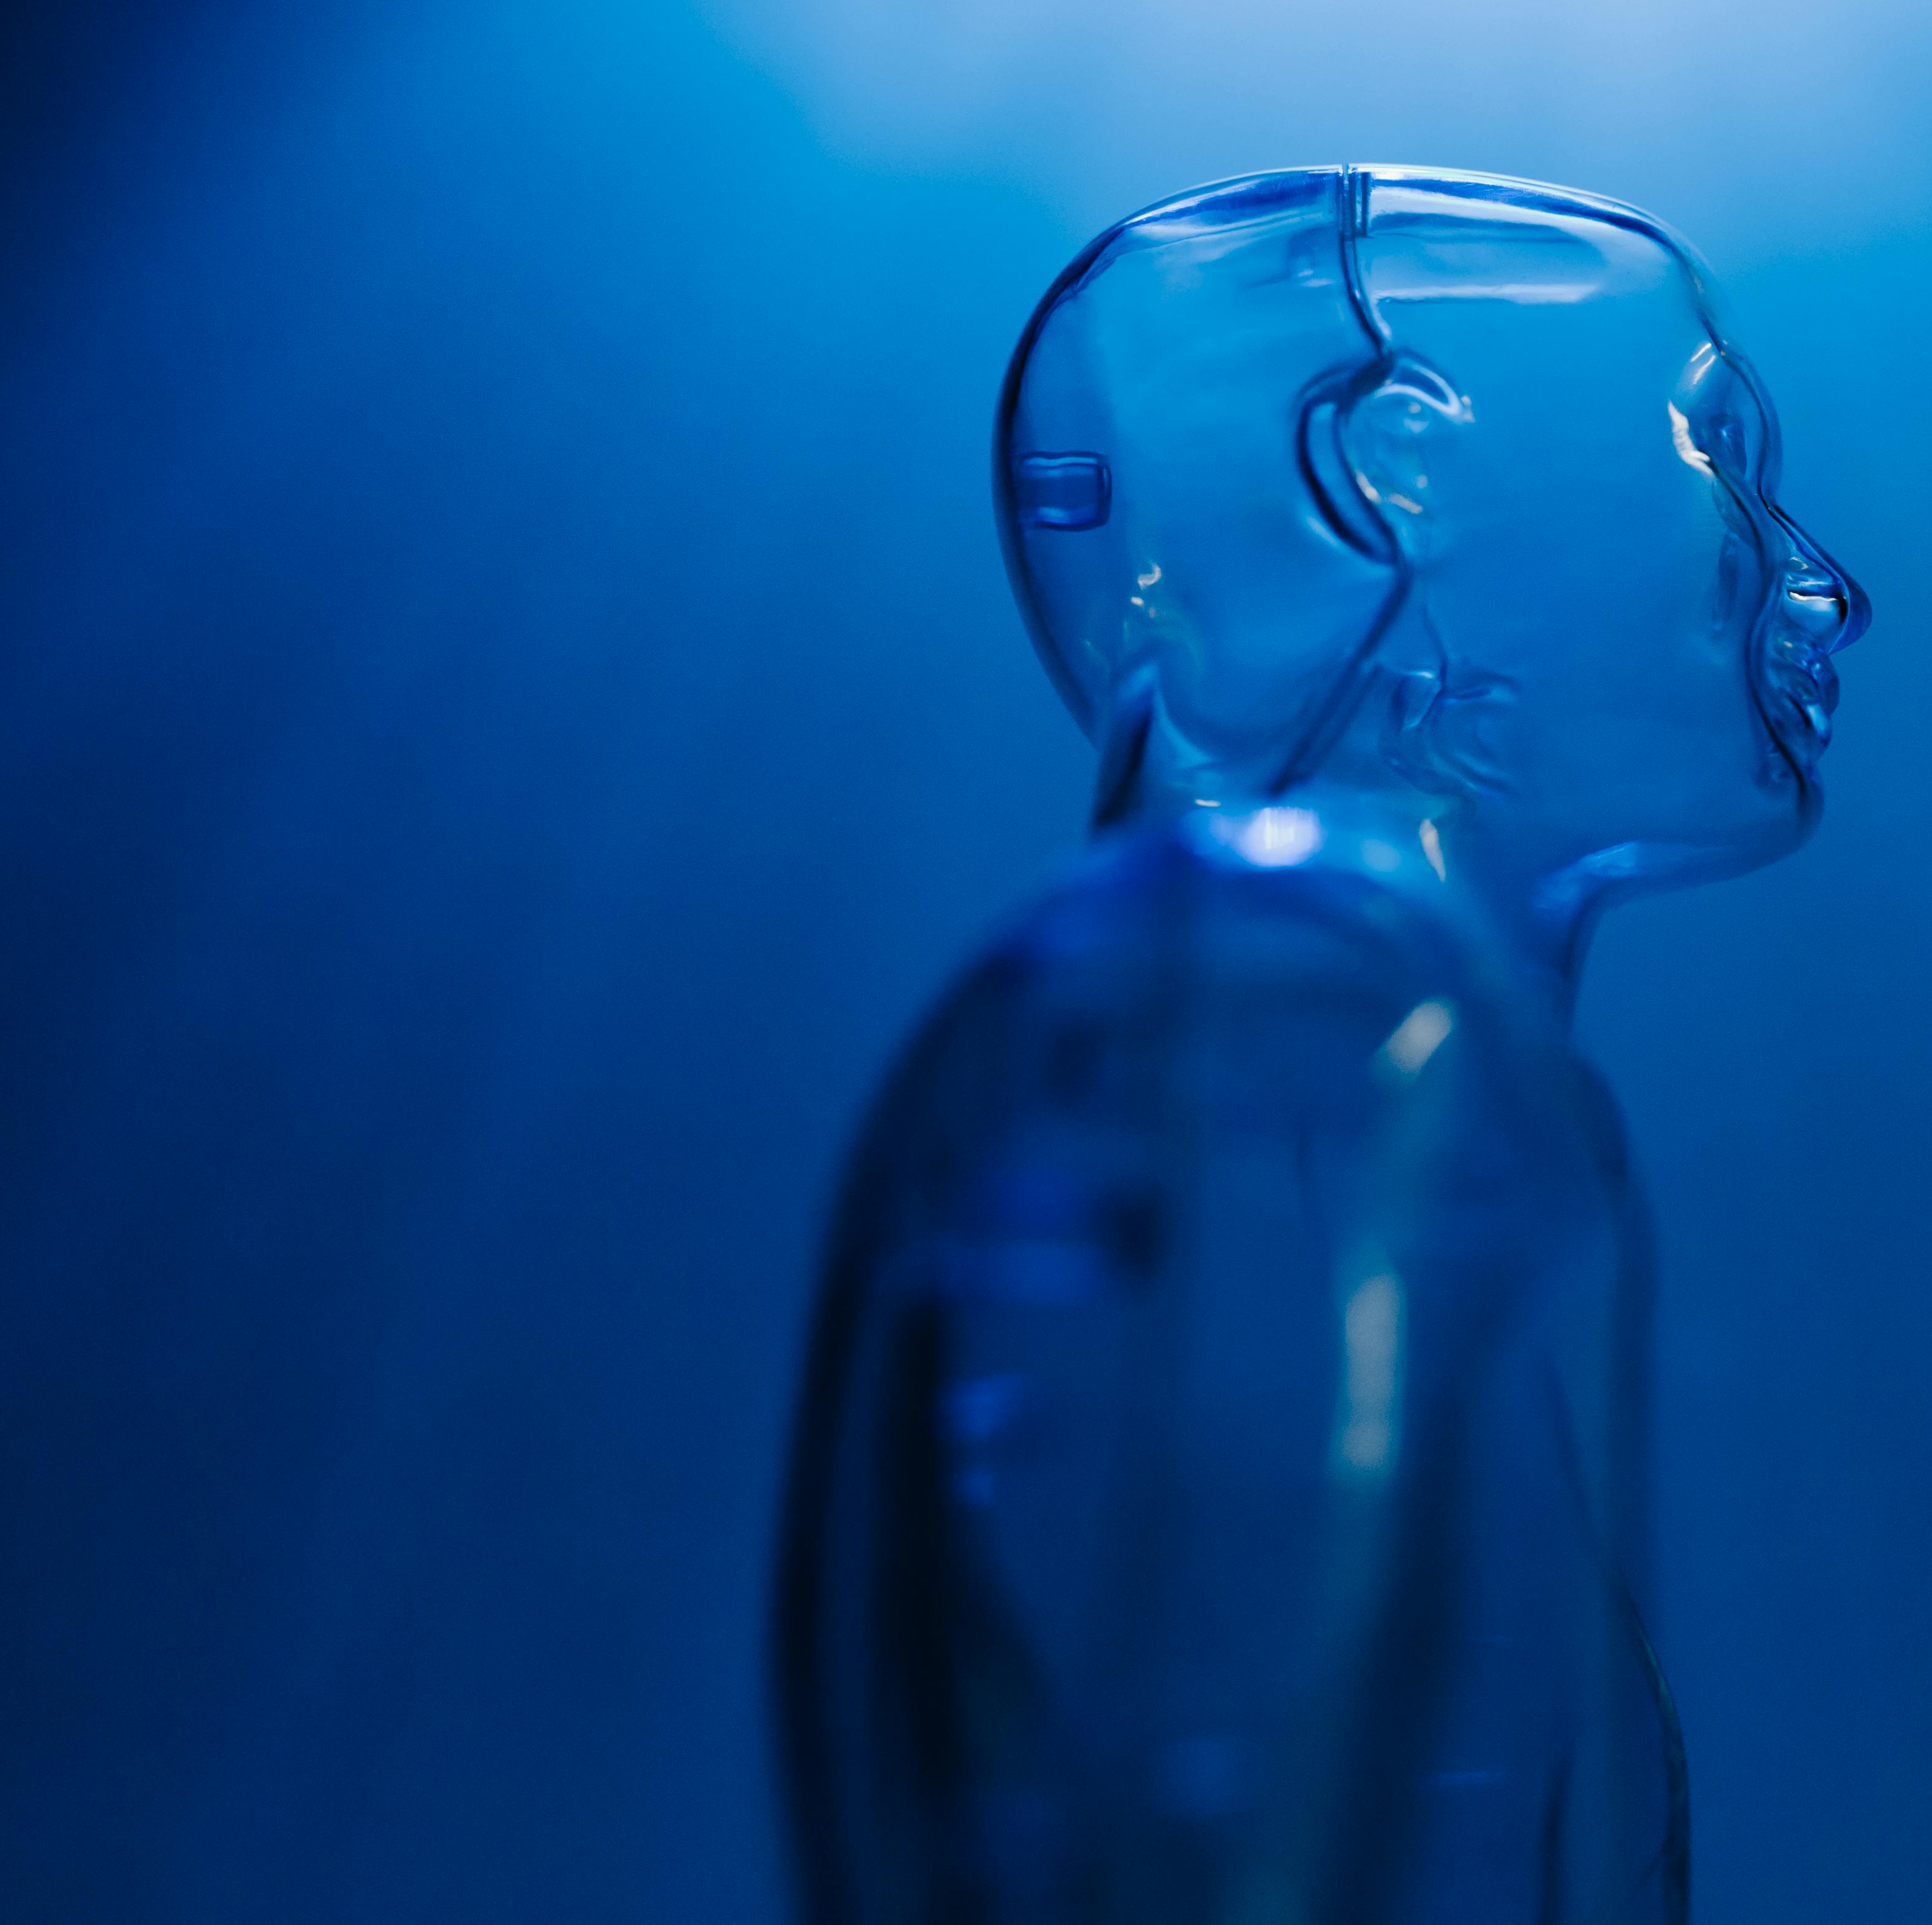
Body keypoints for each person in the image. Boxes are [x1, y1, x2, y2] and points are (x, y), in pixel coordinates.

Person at [776, 168, 1868, 1925]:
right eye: (1722, 456)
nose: (1822, 588)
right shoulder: (1276, 1017)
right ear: (1389, 479)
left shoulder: (1317, 1033)